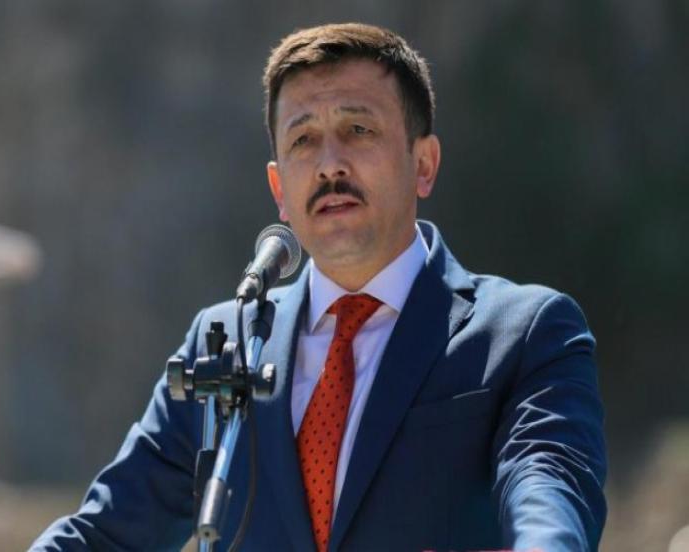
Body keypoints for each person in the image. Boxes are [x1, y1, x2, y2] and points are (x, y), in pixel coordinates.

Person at [32, 23, 606, 551]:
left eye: (358, 130)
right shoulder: (225, 343)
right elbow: (103, 535)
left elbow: (548, 494)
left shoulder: (524, 334)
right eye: (303, 139)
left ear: (424, 164)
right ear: (279, 189)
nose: (330, 164)